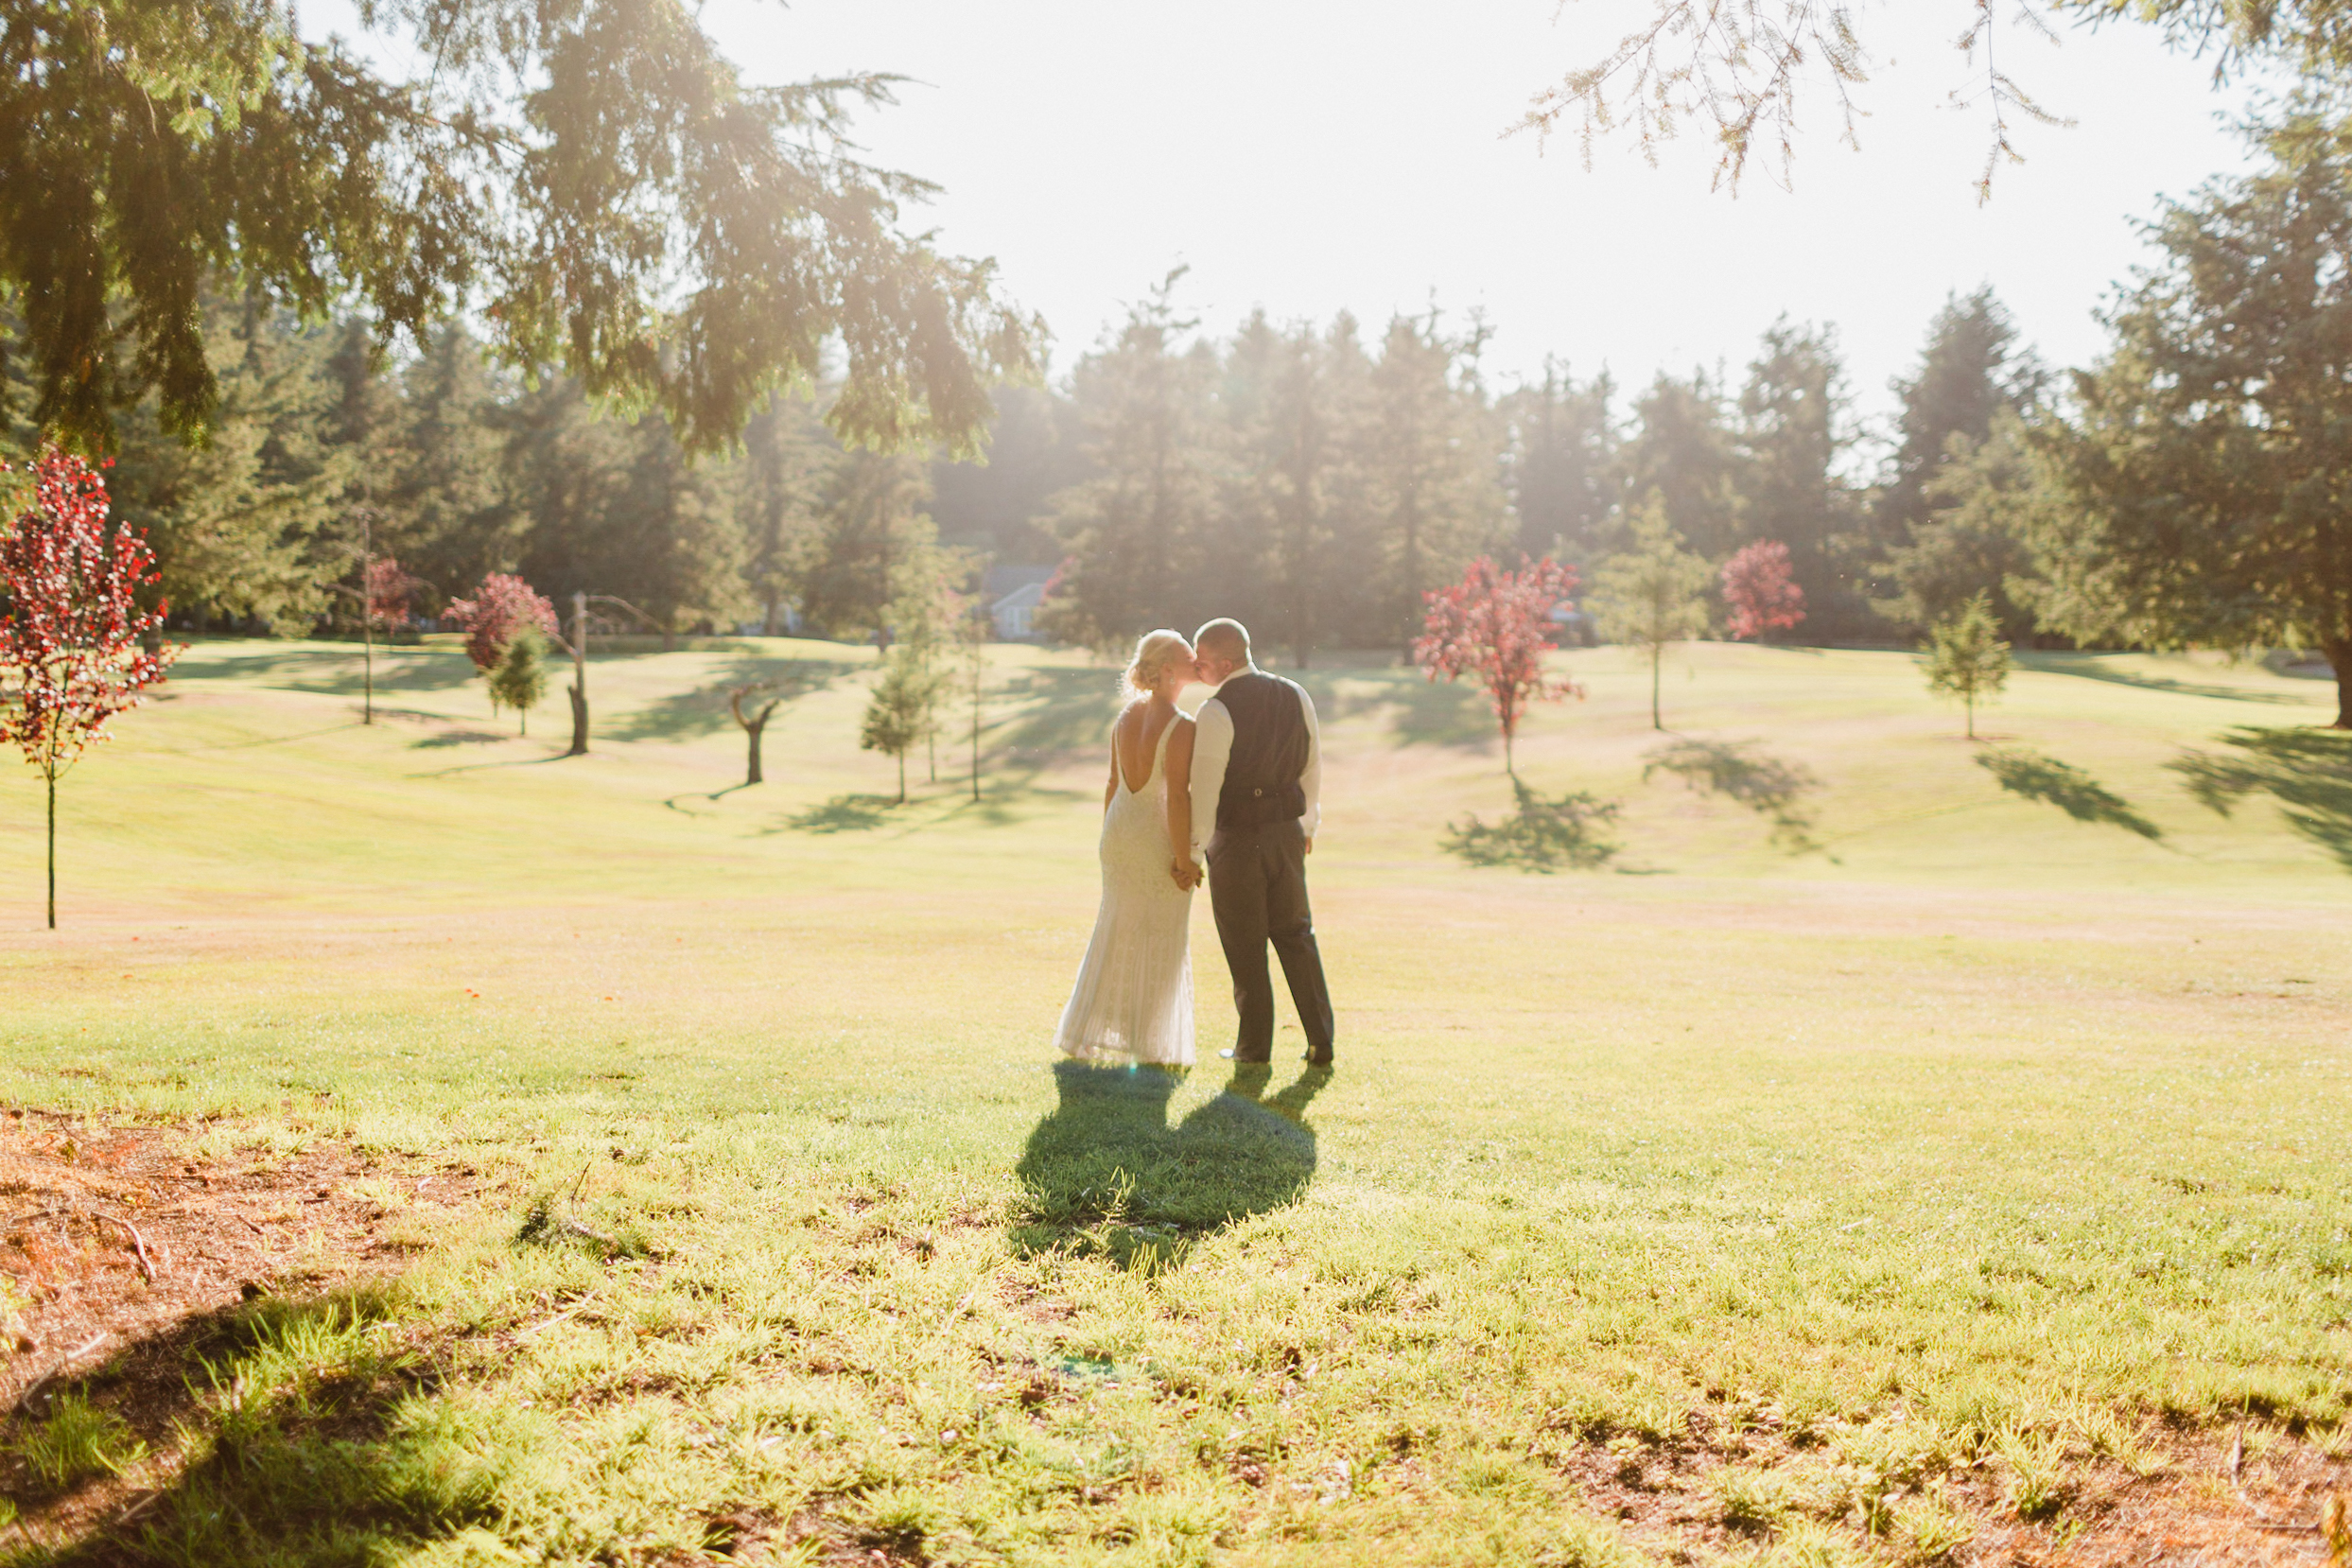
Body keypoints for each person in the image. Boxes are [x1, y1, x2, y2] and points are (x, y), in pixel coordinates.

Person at [1182, 618, 1334, 1066]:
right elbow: (1312, 766)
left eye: (1202, 661)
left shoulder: (1215, 710)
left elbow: (1205, 788)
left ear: (1225, 662)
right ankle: (1320, 1042)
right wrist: (1307, 827)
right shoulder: (1295, 693)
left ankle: (1253, 1049)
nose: (1196, 668)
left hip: (1237, 838)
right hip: (1287, 833)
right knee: (1296, 935)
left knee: (1245, 942)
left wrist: (1195, 850)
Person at [1051, 630, 1201, 1067]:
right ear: (1169, 669)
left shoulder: (1125, 717)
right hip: (1154, 837)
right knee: (1160, 932)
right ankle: (1150, 1041)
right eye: (1186, 653)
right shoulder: (1181, 726)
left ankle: (1089, 1031)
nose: (1196, 657)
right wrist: (1182, 859)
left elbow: (1113, 784)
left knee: (1115, 927)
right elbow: (1177, 798)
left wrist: (1108, 840)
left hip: (1117, 833)